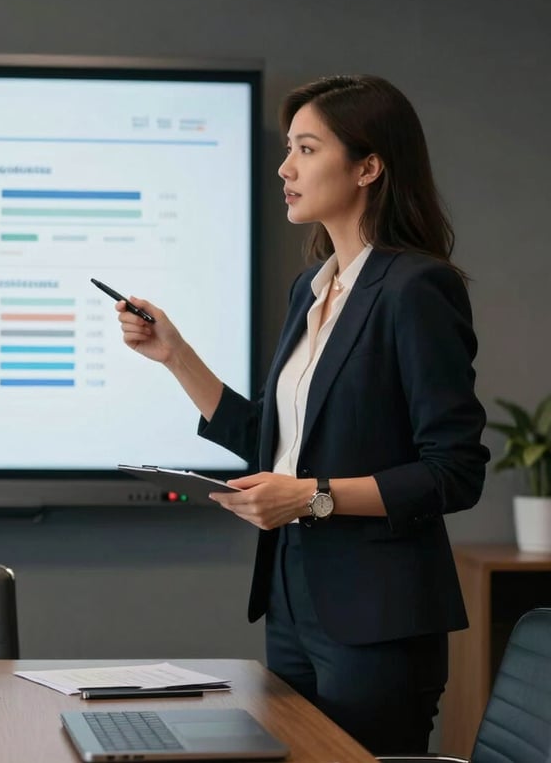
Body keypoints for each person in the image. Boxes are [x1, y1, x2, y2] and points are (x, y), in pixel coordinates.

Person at [113, 74, 489, 755]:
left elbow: (455, 473)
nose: (286, 169)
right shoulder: (312, 289)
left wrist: (312, 498)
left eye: (308, 150)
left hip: (378, 614)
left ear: (369, 166)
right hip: (293, 595)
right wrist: (176, 356)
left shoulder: (415, 288)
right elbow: (274, 445)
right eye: (290, 149)